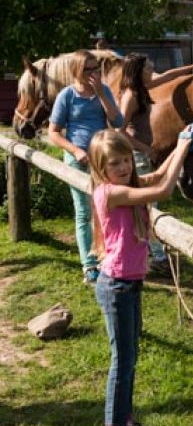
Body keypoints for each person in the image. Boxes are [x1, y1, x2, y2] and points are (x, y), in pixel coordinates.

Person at [88, 126, 193, 426]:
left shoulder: (127, 185)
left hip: (129, 284)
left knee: (130, 358)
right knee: (122, 361)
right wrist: (180, 149)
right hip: (116, 286)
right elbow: (164, 189)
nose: (123, 168)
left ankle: (123, 421)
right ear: (100, 168)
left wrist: (182, 145)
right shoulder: (110, 193)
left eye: (125, 161)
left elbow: (161, 174)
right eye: (114, 164)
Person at [118, 52, 193, 276]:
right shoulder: (130, 95)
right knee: (149, 207)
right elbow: (119, 132)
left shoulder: (143, 87)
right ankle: (157, 256)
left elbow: (167, 75)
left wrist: (192, 68)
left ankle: (147, 249)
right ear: (138, 71)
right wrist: (144, 148)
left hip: (142, 154)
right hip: (137, 157)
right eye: (148, 67)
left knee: (147, 206)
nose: (152, 70)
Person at [48, 50, 124, 285]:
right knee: (83, 212)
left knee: (105, 211)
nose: (94, 74)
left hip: (101, 159)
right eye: (88, 69)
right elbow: (53, 133)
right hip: (77, 160)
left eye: (96, 69)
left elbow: (118, 121)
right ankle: (89, 266)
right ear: (76, 71)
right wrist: (76, 151)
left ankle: (107, 256)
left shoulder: (104, 90)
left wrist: (101, 93)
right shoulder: (67, 95)